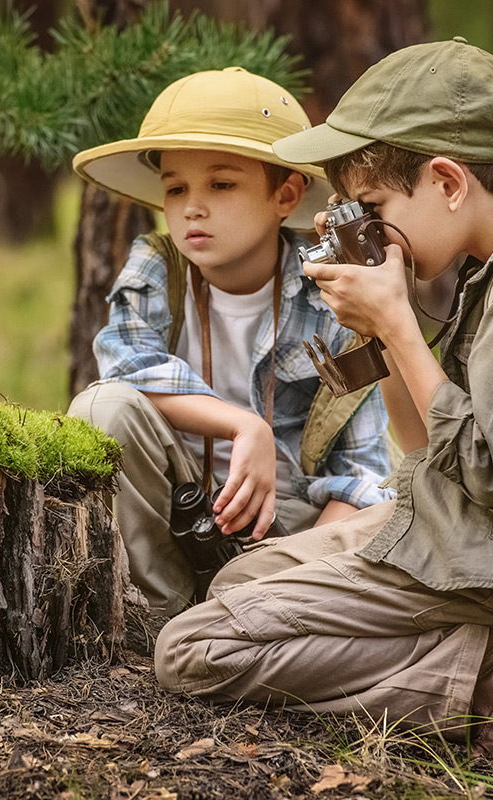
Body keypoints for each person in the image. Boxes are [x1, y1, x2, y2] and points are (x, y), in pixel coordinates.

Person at [154, 37, 493, 754]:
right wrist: (378, 331)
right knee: (238, 582)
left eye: (371, 205)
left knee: (194, 649)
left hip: (475, 550)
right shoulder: (472, 277)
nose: (360, 225)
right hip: (444, 521)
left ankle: (473, 678)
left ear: (449, 182)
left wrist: (399, 324)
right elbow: (425, 444)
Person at [68, 67, 394, 618]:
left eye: (221, 184)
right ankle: (157, 618)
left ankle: (253, 607)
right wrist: (244, 424)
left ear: (285, 194)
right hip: (172, 499)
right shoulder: (157, 266)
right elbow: (124, 363)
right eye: (176, 188)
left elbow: (360, 470)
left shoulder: (335, 298)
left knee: (386, 512)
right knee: (102, 405)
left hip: (285, 523)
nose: (192, 206)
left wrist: (306, 562)